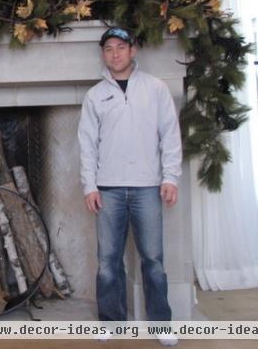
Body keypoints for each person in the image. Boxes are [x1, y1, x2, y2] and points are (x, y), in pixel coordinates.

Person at [77, 27, 181, 347]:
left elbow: (170, 134)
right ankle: (112, 322)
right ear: (104, 54)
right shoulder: (95, 95)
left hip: (147, 188)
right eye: (109, 49)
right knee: (108, 261)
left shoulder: (156, 89)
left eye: (121, 47)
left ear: (132, 50)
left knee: (153, 260)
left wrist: (170, 177)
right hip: (108, 189)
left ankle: (161, 325)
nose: (115, 54)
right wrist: (89, 186)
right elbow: (87, 144)